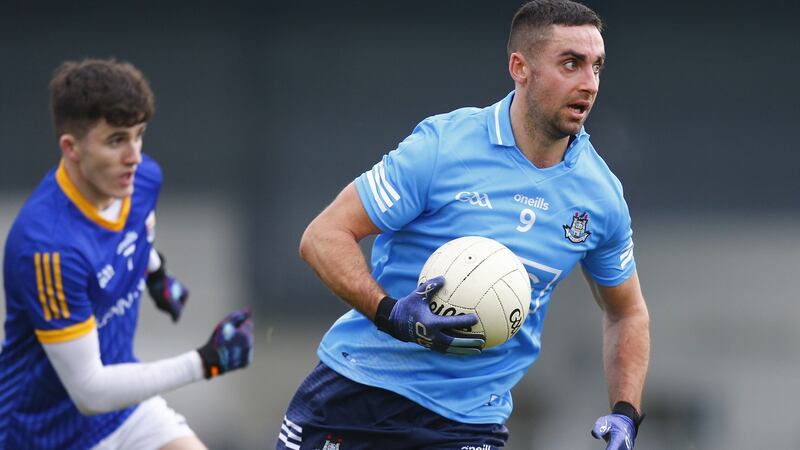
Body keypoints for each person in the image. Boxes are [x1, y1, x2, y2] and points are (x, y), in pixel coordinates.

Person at [280, 0, 650, 449]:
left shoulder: (600, 195)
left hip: (469, 425)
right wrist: (392, 314)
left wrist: (625, 412)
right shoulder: (442, 147)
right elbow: (322, 236)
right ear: (520, 67)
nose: (589, 83)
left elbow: (627, 311)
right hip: (358, 396)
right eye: (570, 64)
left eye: (596, 67)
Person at [0, 58, 254, 450]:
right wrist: (206, 360)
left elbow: (134, 233)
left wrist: (156, 275)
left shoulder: (141, 179)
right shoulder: (48, 249)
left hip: (126, 411)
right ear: (71, 148)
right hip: (46, 436)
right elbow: (89, 392)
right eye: (117, 140)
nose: (134, 156)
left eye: (139, 135)